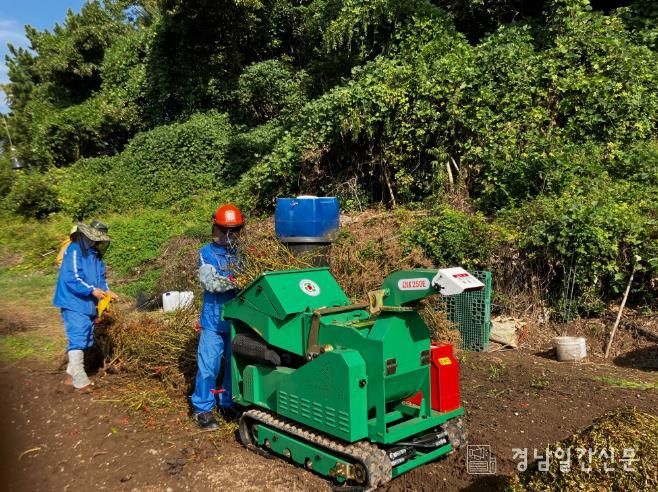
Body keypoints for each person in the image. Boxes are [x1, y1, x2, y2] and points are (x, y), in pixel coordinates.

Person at [191, 204, 244, 430]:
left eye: (234, 231)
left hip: (236, 321)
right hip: (213, 321)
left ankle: (227, 402)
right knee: (208, 367)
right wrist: (238, 282)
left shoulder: (242, 254)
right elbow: (211, 283)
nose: (229, 236)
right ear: (216, 229)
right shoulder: (206, 253)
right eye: (225, 230)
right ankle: (203, 409)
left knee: (233, 366)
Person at [53, 220, 116, 393]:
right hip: (73, 300)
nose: (95, 241)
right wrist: (91, 290)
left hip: (88, 302)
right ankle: (80, 381)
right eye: (93, 238)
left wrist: (107, 291)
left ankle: (70, 375)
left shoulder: (96, 254)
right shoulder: (74, 250)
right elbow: (72, 277)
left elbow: (101, 278)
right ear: (85, 235)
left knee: (86, 338)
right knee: (78, 337)